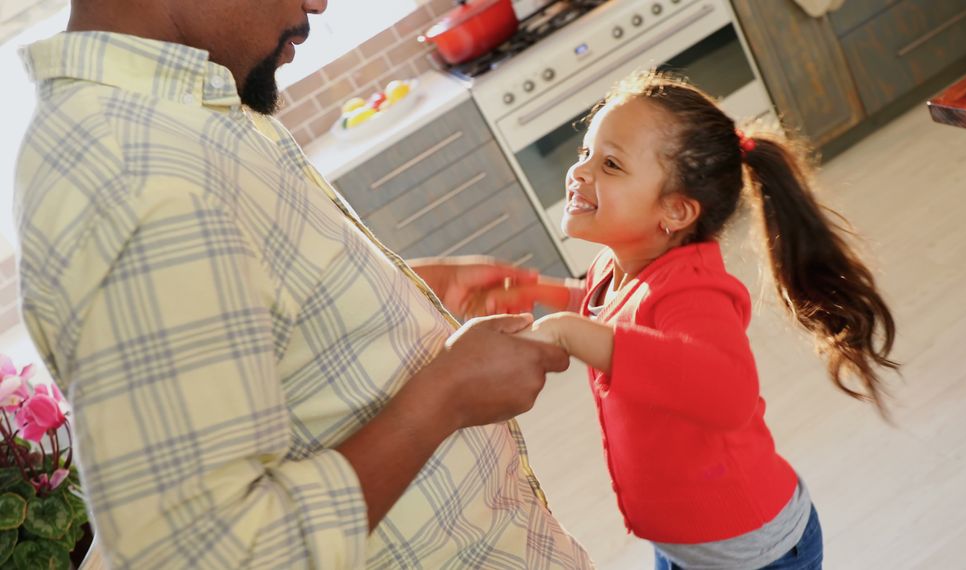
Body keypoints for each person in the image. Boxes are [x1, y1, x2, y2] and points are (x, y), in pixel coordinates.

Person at [12, 0, 592, 568]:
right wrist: (446, 396)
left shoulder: (178, 104)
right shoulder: (134, 174)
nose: (318, 3)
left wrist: (387, 292)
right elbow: (216, 555)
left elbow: (247, 315)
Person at [469, 71, 899, 570]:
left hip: (750, 553)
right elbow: (611, 308)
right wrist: (545, 293)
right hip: (689, 545)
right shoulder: (619, 264)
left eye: (611, 164)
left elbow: (729, 392)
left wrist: (570, 332)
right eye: (586, 152)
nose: (581, 172)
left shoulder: (695, 293)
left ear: (674, 211)